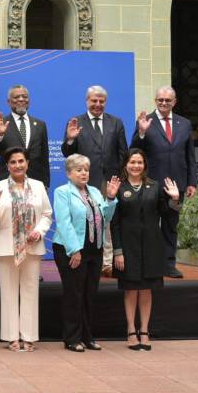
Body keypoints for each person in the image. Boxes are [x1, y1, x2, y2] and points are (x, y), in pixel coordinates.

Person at [112, 149, 180, 351]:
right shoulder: (119, 188)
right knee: (131, 289)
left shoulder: (155, 186)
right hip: (128, 247)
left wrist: (174, 200)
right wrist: (118, 251)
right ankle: (131, 330)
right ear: (126, 164)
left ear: (145, 165)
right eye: (132, 162)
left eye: (139, 162)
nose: (136, 166)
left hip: (151, 246)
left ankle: (144, 330)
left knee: (146, 289)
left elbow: (167, 215)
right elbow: (114, 223)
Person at [0, 146, 52, 352]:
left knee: (31, 291)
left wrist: (39, 231)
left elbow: (47, 214)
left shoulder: (39, 186)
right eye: (13, 162)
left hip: (32, 247)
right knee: (9, 292)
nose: (17, 165)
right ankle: (12, 337)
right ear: (8, 166)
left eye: (21, 161)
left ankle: (29, 337)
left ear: (27, 163)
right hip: (7, 248)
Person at [52, 154, 120, 352]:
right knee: (74, 294)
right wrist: (74, 250)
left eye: (86, 169)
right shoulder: (62, 192)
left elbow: (105, 218)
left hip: (95, 249)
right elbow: (64, 223)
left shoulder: (95, 192)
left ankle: (88, 336)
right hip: (70, 249)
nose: (84, 173)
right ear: (69, 173)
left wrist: (111, 198)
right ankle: (72, 338)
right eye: (79, 169)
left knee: (90, 294)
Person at [130, 86, 197, 279]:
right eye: (160, 100)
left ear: (174, 102)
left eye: (168, 100)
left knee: (170, 225)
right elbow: (134, 151)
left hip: (176, 186)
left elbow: (189, 155)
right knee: (148, 226)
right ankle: (148, 264)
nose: (164, 103)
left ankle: (169, 265)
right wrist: (141, 133)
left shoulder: (184, 124)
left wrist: (192, 182)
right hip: (151, 183)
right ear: (155, 100)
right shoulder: (145, 121)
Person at [62, 85, 128, 275]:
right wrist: (70, 139)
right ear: (87, 101)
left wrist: (120, 180)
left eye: (101, 101)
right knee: (85, 220)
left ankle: (106, 263)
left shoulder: (116, 122)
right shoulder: (76, 122)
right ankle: (85, 258)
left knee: (107, 221)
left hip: (109, 180)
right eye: (94, 100)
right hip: (85, 182)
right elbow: (67, 154)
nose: (98, 104)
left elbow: (123, 153)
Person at [0, 85, 50, 188]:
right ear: (9, 102)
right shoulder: (0, 124)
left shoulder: (40, 125)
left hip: (35, 184)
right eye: (16, 97)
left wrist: (45, 184)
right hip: (8, 184)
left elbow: (44, 158)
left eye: (24, 97)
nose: (21, 99)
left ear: (29, 100)